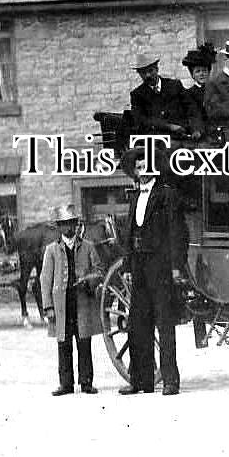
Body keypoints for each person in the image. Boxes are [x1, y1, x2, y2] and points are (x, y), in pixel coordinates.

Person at [119, 148, 187, 396]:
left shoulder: (167, 195)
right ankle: (141, 381)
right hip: (139, 265)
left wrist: (176, 266)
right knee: (137, 324)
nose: (142, 171)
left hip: (160, 265)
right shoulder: (135, 196)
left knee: (164, 323)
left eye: (145, 166)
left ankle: (170, 381)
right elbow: (129, 233)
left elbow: (177, 232)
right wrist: (127, 266)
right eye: (138, 168)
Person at [41, 204, 105, 396]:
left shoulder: (88, 247)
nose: (68, 227)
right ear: (59, 227)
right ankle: (65, 384)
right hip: (62, 304)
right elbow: (45, 280)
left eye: (71, 223)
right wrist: (48, 307)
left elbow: (99, 271)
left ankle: (86, 382)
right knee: (64, 343)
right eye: (64, 224)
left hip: (82, 303)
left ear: (77, 225)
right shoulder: (51, 250)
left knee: (84, 342)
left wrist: (89, 280)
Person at [129, 53, 198, 139]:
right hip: (157, 139)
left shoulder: (174, 85)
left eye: (150, 71)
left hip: (183, 135)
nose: (148, 75)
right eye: (143, 73)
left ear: (157, 69)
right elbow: (141, 120)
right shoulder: (137, 95)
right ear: (139, 74)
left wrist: (195, 129)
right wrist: (168, 126)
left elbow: (191, 108)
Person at [181, 43, 216, 141]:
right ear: (192, 75)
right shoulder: (188, 94)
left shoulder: (215, 90)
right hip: (202, 132)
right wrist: (197, 130)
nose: (201, 74)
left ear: (209, 72)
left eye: (204, 71)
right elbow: (193, 114)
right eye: (198, 71)